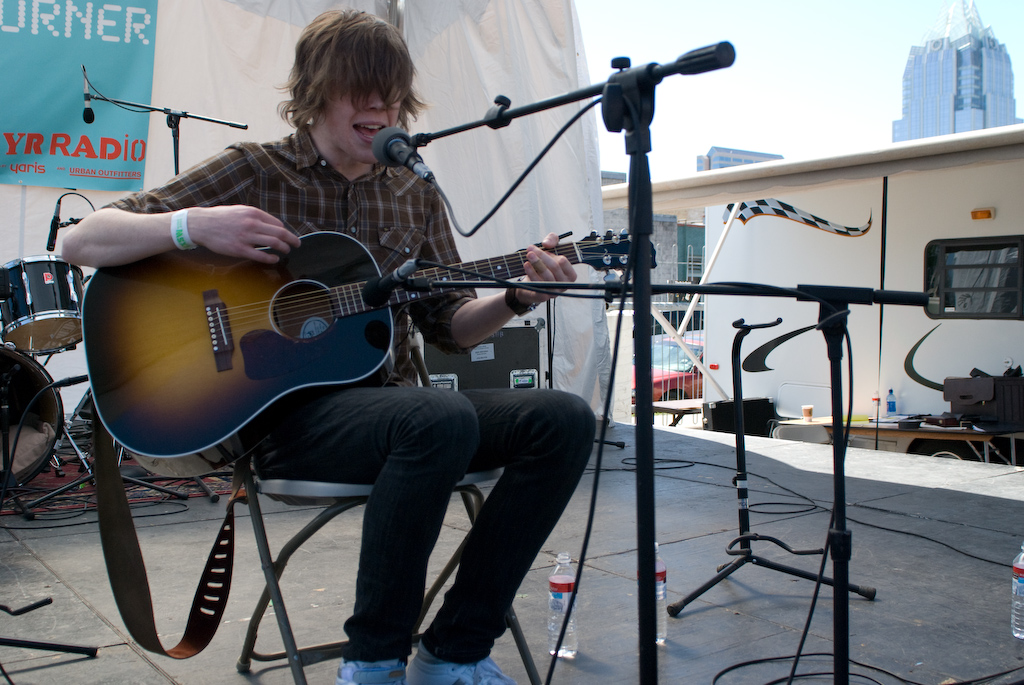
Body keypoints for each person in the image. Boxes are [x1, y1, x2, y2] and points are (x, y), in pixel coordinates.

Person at [61, 9, 595, 685]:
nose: (381, 109)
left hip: (402, 416)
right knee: (437, 416)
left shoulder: (413, 193)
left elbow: (449, 325)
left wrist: (516, 297)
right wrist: (194, 226)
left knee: (563, 418)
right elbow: (79, 241)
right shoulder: (254, 172)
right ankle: (373, 663)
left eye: (392, 95)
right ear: (315, 92)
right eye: (360, 91)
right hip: (287, 424)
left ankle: (455, 650)